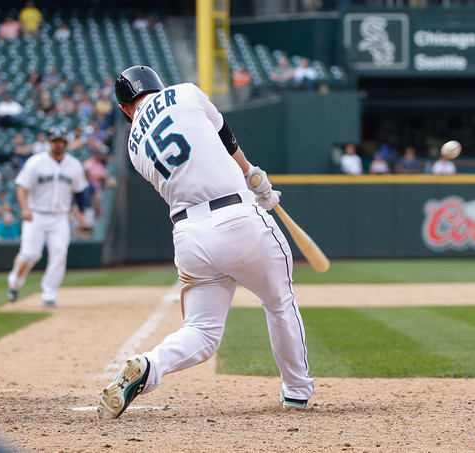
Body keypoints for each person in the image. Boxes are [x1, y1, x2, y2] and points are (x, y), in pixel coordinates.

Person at [97, 65, 313, 419]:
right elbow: (226, 140)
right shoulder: (184, 91)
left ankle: (150, 364)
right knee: (279, 302)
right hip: (237, 217)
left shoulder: (133, 147)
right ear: (157, 85)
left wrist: (251, 182)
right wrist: (254, 179)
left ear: (124, 109)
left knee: (201, 331)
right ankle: (297, 391)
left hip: (188, 238)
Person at [6, 126, 89, 308]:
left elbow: (80, 191)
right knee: (30, 254)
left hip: (60, 217)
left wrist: (81, 214)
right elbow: (22, 187)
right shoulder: (36, 162)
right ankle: (15, 282)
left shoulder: (74, 165)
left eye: (61, 141)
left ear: (65, 143)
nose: (57, 144)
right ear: (49, 142)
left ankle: (49, 295)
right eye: (54, 141)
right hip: (36, 215)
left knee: (59, 255)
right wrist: (25, 208)